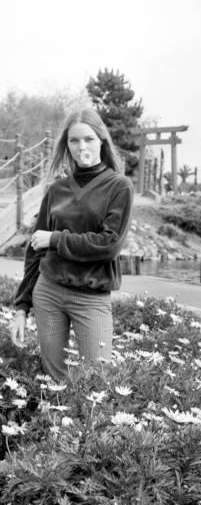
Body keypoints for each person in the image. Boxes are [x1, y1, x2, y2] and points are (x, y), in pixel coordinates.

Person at [10, 109, 133, 381]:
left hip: (90, 298)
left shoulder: (119, 187)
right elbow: (34, 252)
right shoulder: (56, 190)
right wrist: (21, 307)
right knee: (54, 382)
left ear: (102, 140)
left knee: (98, 381)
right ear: (66, 145)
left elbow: (109, 244)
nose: (82, 147)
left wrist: (56, 239)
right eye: (74, 141)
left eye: (88, 139)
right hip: (48, 293)